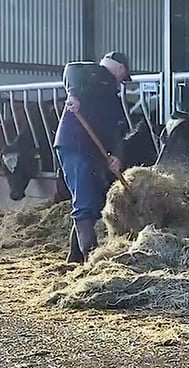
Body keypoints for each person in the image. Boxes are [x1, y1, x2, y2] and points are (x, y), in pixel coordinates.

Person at [54, 51, 131, 263]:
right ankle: (91, 259)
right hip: (76, 145)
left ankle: (75, 257)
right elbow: (71, 70)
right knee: (86, 202)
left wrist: (116, 157)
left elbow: (117, 131)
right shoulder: (95, 74)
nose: (122, 81)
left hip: (93, 150)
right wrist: (74, 95)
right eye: (123, 74)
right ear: (120, 68)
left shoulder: (110, 94)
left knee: (93, 200)